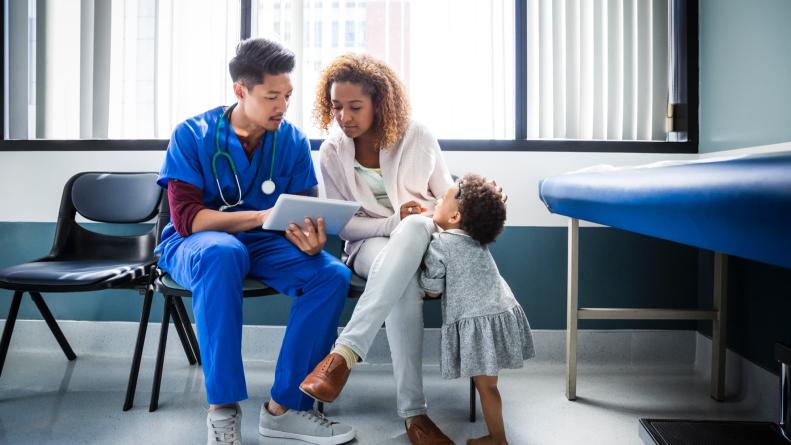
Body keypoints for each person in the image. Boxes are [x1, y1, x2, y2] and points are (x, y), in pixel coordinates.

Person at [154, 38, 355, 445]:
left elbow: (302, 210)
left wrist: (310, 239)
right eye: (271, 96)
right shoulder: (192, 134)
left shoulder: (293, 141)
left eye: (288, 95)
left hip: (265, 244)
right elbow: (189, 218)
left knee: (330, 275)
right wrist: (260, 217)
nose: (282, 106)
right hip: (197, 243)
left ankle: (285, 409)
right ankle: (223, 408)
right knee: (222, 252)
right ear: (241, 91)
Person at [299, 53, 455, 444]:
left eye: (355, 107)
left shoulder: (417, 135)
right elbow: (345, 223)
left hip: (421, 241)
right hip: (367, 245)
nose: (344, 117)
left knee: (416, 226)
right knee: (400, 282)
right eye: (336, 107)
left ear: (379, 103)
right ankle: (415, 416)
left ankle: (343, 355)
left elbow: (448, 200)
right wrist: (394, 221)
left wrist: (418, 216)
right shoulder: (332, 152)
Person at [420, 174, 535, 445]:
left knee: (486, 387)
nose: (436, 201)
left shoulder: (441, 244)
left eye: (442, 199)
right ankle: (497, 437)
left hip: (479, 319)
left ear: (455, 217)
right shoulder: (476, 239)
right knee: (489, 386)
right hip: (499, 312)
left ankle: (498, 439)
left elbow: (432, 288)